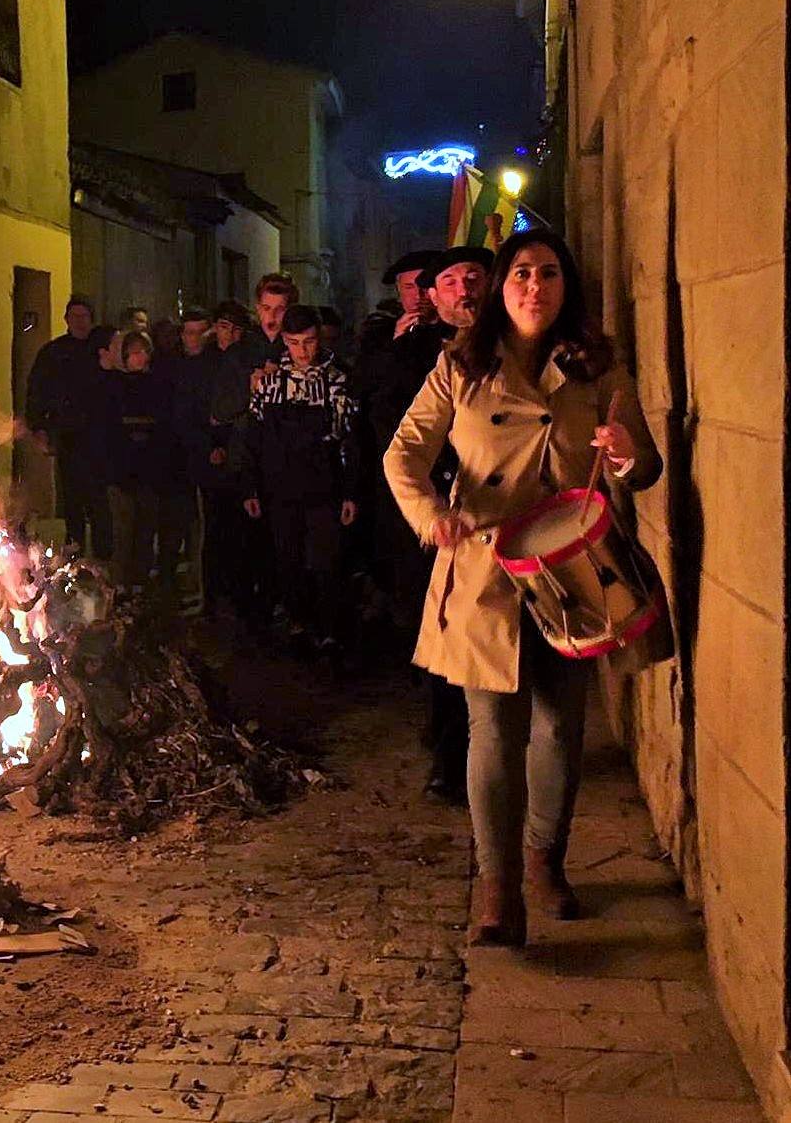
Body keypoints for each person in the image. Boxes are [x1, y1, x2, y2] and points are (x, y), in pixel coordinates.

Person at [384, 229, 661, 947]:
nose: (532, 288)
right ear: (501, 288)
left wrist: (626, 457)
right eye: (519, 276)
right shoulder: (461, 363)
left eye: (545, 274)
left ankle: (545, 858)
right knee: (491, 730)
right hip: (483, 566)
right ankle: (497, 886)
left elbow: (645, 462)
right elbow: (403, 453)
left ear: (564, 285)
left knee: (559, 726)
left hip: (571, 571)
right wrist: (432, 515)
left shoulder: (596, 367)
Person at [355, 249, 475, 804]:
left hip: (497, 514)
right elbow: (389, 431)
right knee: (440, 633)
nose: (462, 291)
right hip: (434, 513)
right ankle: (450, 755)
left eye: (474, 279)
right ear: (433, 295)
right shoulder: (410, 354)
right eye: (449, 282)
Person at [240, 305, 360, 652]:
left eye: (308, 342)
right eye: (294, 343)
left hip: (324, 489)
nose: (302, 351)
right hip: (281, 489)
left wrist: (350, 492)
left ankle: (328, 628)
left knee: (326, 562)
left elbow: (350, 441)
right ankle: (299, 622)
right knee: (288, 560)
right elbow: (254, 438)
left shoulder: (337, 381)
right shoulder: (271, 385)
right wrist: (250, 486)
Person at [197, 301, 273, 623]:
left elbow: (234, 404)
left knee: (238, 529)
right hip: (219, 456)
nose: (224, 333)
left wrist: (223, 419)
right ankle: (220, 596)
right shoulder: (213, 359)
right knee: (219, 529)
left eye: (230, 327)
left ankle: (240, 598)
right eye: (222, 326)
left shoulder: (245, 355)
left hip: (240, 455)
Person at [25, 296, 112, 560]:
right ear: (66, 320)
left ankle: (103, 557)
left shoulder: (103, 351)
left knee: (100, 501)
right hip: (69, 436)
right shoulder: (53, 352)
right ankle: (74, 556)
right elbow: (36, 392)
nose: (79, 321)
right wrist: (39, 427)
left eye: (84, 316)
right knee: (72, 499)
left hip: (101, 436)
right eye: (74, 316)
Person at [95, 330, 177, 593]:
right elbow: (107, 427)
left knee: (145, 529)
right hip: (121, 470)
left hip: (149, 469)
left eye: (144, 351)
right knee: (123, 529)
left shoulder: (157, 384)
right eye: (135, 352)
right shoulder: (112, 385)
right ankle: (120, 583)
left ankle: (140, 580)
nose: (140, 357)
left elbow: (163, 424)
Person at [162, 309, 214, 610]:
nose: (193, 339)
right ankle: (173, 584)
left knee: (201, 527)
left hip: (203, 455)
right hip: (175, 457)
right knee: (176, 522)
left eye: (199, 332)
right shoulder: (173, 366)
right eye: (189, 332)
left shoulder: (211, 366)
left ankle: (200, 585)